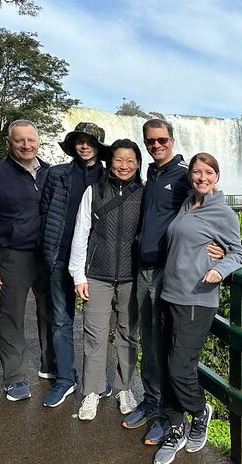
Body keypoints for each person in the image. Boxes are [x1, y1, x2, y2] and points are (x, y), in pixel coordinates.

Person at [123, 119, 223, 446]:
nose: (156, 146)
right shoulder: (151, 174)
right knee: (147, 340)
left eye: (161, 140)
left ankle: (169, 414)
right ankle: (152, 400)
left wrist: (227, 252)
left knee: (161, 347)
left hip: (169, 273)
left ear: (172, 139)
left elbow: (213, 210)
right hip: (144, 268)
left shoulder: (184, 174)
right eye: (150, 141)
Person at [153, 152, 242, 464]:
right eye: (196, 173)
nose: (202, 178)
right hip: (171, 295)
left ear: (217, 176)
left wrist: (220, 269)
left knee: (180, 366)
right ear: (190, 175)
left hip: (197, 298)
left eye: (208, 173)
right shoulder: (188, 203)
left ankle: (199, 411)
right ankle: (176, 429)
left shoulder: (224, 212)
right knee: (168, 364)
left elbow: (239, 252)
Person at [0, 119, 56, 401]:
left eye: (31, 140)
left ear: (38, 141)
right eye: (20, 140)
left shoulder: (51, 175)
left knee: (51, 311)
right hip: (12, 255)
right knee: (11, 316)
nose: (26, 145)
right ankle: (15, 377)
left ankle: (50, 364)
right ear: (9, 142)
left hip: (47, 254)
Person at [40, 122, 118, 409]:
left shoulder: (110, 177)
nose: (84, 146)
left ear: (98, 147)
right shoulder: (57, 174)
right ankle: (64, 379)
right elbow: (45, 213)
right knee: (61, 320)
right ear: (73, 145)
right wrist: (46, 250)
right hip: (60, 256)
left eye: (90, 142)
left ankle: (95, 379)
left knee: (95, 324)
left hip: (96, 262)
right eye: (79, 141)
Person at [69, 139, 143, 421]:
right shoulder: (94, 191)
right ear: (109, 161)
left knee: (127, 333)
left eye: (130, 160)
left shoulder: (143, 194)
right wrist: (78, 274)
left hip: (131, 275)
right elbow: (81, 232)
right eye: (119, 159)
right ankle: (92, 391)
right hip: (97, 273)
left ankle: (125, 388)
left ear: (137, 164)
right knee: (95, 334)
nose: (124, 165)